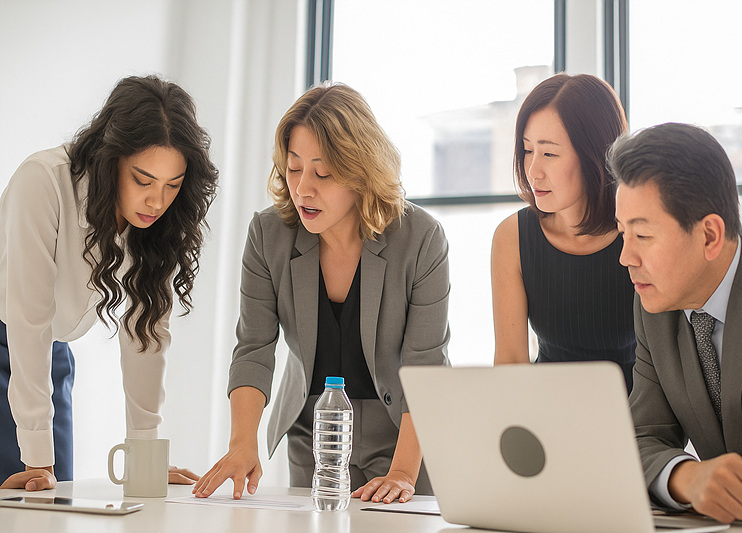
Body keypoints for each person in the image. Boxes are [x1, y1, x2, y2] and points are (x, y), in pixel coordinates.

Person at [193, 83, 450, 504]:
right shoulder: (267, 235)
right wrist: (242, 441)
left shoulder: (421, 239)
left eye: (324, 172)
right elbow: (254, 348)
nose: (303, 189)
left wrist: (403, 471)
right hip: (313, 431)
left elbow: (427, 366)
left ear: (361, 170)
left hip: (402, 431)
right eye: (294, 168)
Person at [0, 75, 218, 490]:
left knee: (52, 500)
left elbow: (147, 331)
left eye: (173, 185)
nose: (157, 201)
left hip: (51, 354)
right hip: (14, 339)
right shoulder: (42, 180)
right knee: (25, 495)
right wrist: (37, 457)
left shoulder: (157, 222)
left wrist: (145, 458)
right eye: (143, 180)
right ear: (109, 157)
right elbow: (28, 320)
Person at [610, 122, 742, 523]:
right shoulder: (654, 307)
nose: (626, 257)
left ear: (710, 235)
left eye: (642, 236)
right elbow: (640, 438)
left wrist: (719, 496)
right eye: (622, 232)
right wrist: (686, 477)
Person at [491, 73, 636, 392]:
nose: (533, 171)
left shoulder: (638, 233)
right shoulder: (512, 238)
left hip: (638, 424)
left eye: (550, 153)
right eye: (528, 150)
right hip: (547, 418)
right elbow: (510, 364)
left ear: (595, 155)